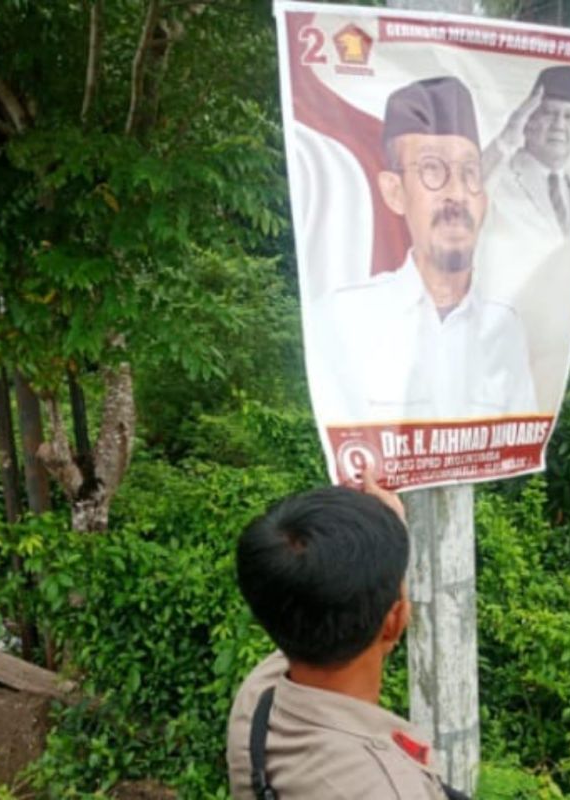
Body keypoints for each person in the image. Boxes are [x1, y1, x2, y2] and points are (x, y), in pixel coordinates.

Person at [306, 76, 537, 425]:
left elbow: (518, 439)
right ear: (394, 191)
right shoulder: (344, 318)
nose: (456, 194)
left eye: (470, 172)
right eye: (432, 169)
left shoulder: (504, 327)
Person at [226, 470, 463, 800]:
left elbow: (335, 614)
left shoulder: (257, 700)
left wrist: (387, 538)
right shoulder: (389, 789)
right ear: (393, 621)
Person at [482, 65, 570, 238]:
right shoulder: (498, 173)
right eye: (549, 113)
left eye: (569, 117)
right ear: (528, 119)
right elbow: (459, 191)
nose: (559, 125)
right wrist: (505, 139)